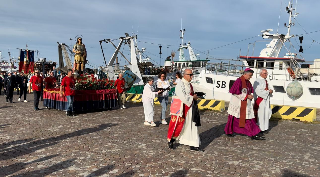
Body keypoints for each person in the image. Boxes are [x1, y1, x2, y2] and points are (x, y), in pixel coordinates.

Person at [224, 68, 265, 140]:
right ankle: (229, 131)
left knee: (249, 119)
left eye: (251, 76)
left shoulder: (247, 82)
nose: (250, 77)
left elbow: (248, 91)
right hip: (238, 103)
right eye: (250, 75)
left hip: (245, 103)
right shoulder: (239, 81)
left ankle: (255, 132)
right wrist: (247, 96)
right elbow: (235, 93)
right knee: (237, 119)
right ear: (245, 74)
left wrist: (249, 96)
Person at [167, 69, 201, 151]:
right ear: (185, 75)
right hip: (182, 109)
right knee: (178, 125)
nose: (192, 76)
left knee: (191, 125)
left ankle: (192, 143)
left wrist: (195, 96)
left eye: (192, 75)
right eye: (190, 75)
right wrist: (192, 97)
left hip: (190, 107)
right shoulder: (180, 85)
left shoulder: (190, 85)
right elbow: (182, 96)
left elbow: (190, 94)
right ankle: (171, 140)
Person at [253, 69, 273, 134]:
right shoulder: (257, 81)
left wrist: (270, 90)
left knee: (266, 113)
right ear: (261, 73)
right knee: (261, 114)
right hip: (260, 99)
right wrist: (267, 91)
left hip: (266, 99)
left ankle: (265, 127)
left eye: (266, 73)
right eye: (265, 73)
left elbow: (268, 88)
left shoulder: (265, 80)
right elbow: (258, 91)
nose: (266, 74)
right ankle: (260, 128)